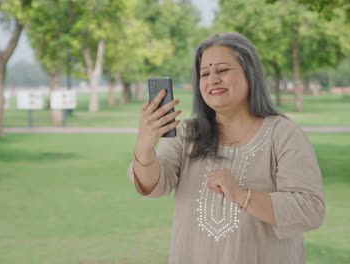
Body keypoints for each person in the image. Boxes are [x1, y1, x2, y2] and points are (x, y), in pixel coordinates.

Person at [127, 32, 325, 264]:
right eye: (205, 73)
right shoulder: (187, 134)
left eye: (222, 70)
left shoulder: (283, 134)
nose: (212, 79)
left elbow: (310, 209)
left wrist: (243, 195)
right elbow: (153, 186)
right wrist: (144, 147)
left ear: (250, 74)